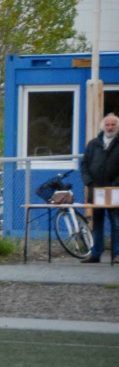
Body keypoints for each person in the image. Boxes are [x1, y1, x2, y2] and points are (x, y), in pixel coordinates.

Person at [79, 112, 119, 264]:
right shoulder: (93, 144)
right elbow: (84, 165)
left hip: (115, 191)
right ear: (103, 127)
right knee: (97, 223)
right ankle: (95, 253)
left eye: (113, 124)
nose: (110, 127)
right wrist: (89, 182)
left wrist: (115, 185)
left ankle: (117, 254)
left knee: (116, 223)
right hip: (96, 191)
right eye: (107, 125)